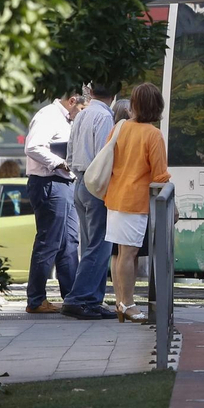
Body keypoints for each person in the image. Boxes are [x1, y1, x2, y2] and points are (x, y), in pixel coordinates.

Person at [103, 83, 170, 323]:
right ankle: (128, 304)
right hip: (135, 200)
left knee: (121, 254)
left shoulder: (120, 128)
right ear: (156, 106)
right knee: (129, 254)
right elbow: (160, 175)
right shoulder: (153, 134)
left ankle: (121, 303)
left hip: (114, 197)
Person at [61, 81, 119, 320]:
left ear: (91, 92)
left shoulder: (82, 115)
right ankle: (79, 298)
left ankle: (92, 301)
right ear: (115, 93)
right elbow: (102, 158)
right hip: (97, 184)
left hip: (80, 182)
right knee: (99, 246)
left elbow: (70, 155)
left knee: (90, 245)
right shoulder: (104, 117)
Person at [23, 90, 82, 314]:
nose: (81, 114)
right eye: (81, 109)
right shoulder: (49, 115)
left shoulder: (62, 118)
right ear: (72, 101)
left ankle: (72, 297)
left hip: (62, 184)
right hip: (50, 183)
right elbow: (33, 147)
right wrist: (60, 163)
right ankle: (36, 299)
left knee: (69, 242)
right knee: (49, 242)